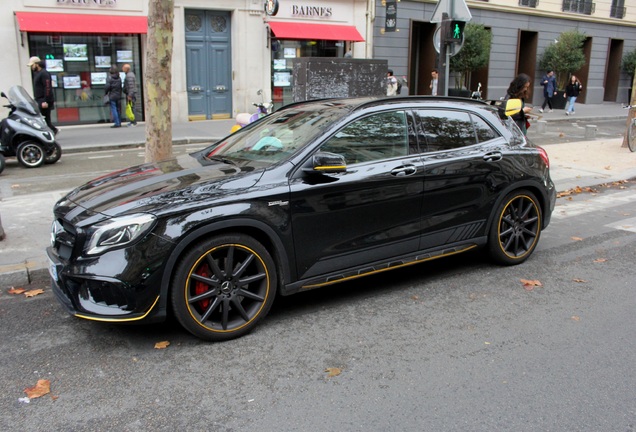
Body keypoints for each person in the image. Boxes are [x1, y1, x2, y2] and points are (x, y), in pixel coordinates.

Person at [27, 56, 58, 135]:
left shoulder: (44, 73)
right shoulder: (38, 74)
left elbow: (47, 87)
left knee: (45, 119)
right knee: (44, 120)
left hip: (44, 100)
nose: (31, 67)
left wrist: (45, 101)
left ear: (37, 64)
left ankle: (52, 131)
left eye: (32, 65)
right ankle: (51, 132)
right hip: (39, 99)